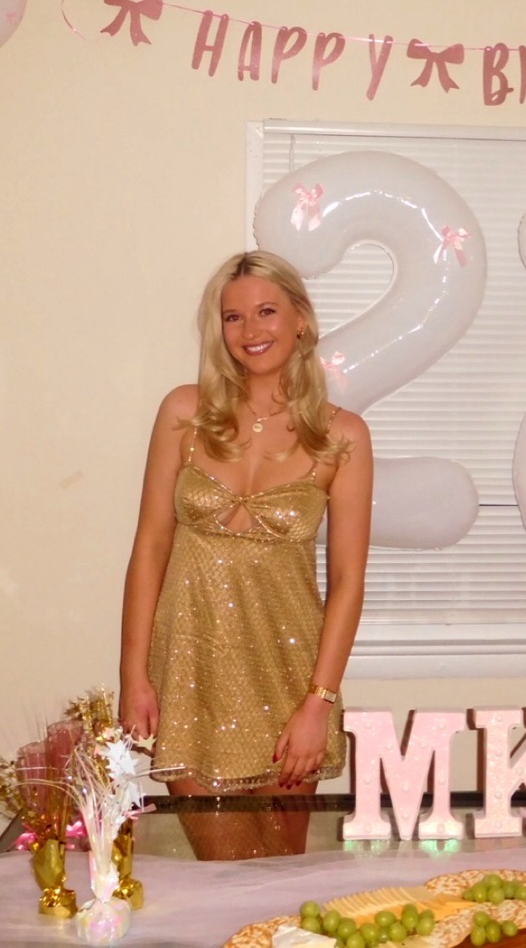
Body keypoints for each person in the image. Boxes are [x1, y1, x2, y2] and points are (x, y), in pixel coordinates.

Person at [119, 251, 373, 849]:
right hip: (190, 676)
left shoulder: (342, 436)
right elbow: (150, 547)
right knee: (222, 868)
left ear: (301, 319)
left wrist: (318, 704)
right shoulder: (184, 413)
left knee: (281, 875)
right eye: (233, 317)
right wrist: (134, 676)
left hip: (292, 680)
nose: (250, 330)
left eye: (266, 311)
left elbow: (347, 581)